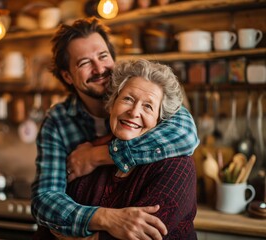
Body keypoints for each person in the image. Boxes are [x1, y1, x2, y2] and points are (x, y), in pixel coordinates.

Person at [31, 17, 199, 239]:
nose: (99, 68)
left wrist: (98, 156)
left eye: (103, 56)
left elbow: (187, 134)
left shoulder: (150, 97)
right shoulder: (58, 121)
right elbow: (46, 201)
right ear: (67, 76)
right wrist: (106, 218)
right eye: (84, 63)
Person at [64, 59, 197, 239]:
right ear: (112, 104)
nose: (134, 112)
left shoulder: (177, 166)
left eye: (148, 106)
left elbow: (145, 234)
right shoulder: (88, 153)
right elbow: (55, 219)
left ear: (160, 120)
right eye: (128, 98)